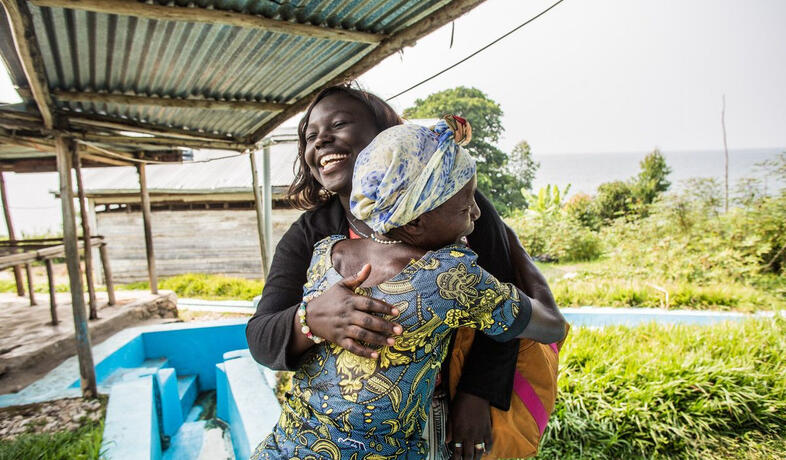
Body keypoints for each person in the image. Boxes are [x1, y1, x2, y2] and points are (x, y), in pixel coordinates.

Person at [245, 85, 561, 459]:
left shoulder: (459, 205)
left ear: (388, 137)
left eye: (339, 124)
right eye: (310, 136)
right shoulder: (314, 236)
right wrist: (311, 318)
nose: (321, 140)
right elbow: (261, 337)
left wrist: (476, 395)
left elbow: (500, 297)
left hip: (451, 402)